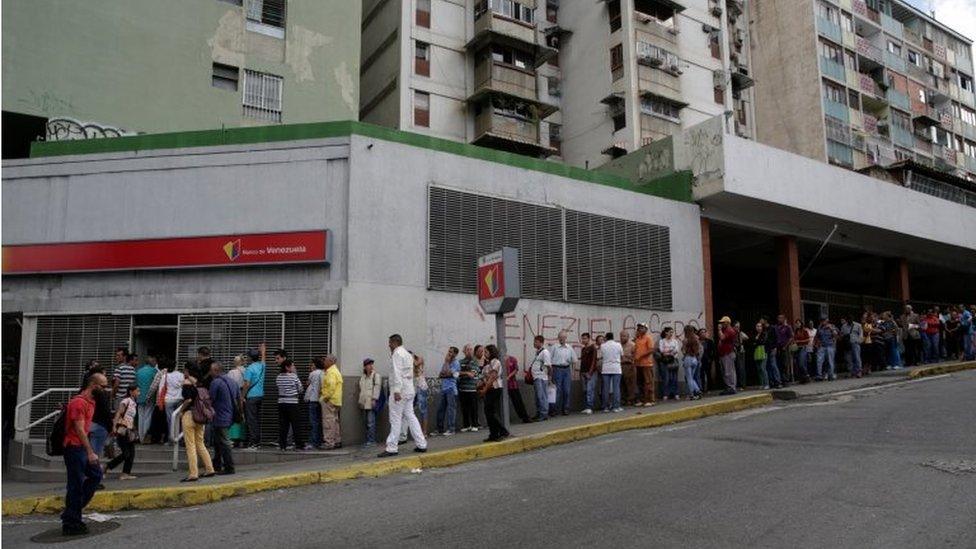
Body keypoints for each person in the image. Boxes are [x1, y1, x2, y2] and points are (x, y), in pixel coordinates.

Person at [60, 372, 107, 536]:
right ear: (93, 385)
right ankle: (71, 522)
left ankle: (71, 512)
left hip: (81, 447)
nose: (105, 390)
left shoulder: (91, 402)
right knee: (75, 485)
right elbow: (79, 429)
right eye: (102, 386)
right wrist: (90, 452)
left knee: (95, 475)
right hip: (74, 447)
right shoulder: (79, 403)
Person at [378, 334, 427, 457]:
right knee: (411, 416)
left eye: (390, 343)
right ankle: (422, 444)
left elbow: (397, 372)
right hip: (409, 390)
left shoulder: (397, 353)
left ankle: (392, 447)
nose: (388, 345)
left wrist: (396, 391)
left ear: (395, 342)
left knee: (395, 418)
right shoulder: (407, 354)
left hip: (400, 391)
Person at [178, 364, 215, 482]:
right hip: (200, 415)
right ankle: (210, 469)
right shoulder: (201, 383)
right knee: (200, 443)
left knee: (190, 445)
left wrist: (181, 410)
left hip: (189, 415)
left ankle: (193, 473)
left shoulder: (187, 383)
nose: (183, 372)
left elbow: (188, 400)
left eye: (184, 370)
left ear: (188, 371)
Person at [208, 361, 239, 475]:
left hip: (220, 417)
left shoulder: (215, 382)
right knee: (218, 441)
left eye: (211, 370)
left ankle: (229, 467)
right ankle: (216, 464)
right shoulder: (232, 382)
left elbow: (210, 399)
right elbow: (238, 398)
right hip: (230, 416)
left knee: (224, 442)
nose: (210, 372)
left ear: (216, 370)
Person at [105, 385, 139, 480]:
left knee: (131, 453)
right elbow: (118, 413)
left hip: (130, 430)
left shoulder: (134, 403)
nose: (138, 393)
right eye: (137, 391)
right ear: (131, 392)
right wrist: (114, 426)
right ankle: (107, 466)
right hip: (123, 430)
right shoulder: (126, 401)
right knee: (126, 453)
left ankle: (125, 473)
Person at [481, 345, 510, 442]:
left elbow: (492, 377)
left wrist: (484, 389)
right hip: (489, 389)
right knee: (488, 412)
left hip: (495, 388)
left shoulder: (496, 362)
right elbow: (483, 378)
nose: (484, 354)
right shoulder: (487, 365)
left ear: (491, 352)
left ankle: (502, 431)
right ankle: (493, 434)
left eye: (486, 352)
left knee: (491, 412)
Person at [242, 344, 267, 450]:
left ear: (250, 358)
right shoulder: (262, 366)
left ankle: (254, 443)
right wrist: (263, 351)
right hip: (260, 395)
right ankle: (257, 442)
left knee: (251, 420)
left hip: (251, 397)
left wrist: (242, 396)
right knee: (255, 419)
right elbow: (264, 360)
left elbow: (247, 384)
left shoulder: (249, 369)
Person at [275, 359, 304, 451]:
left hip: (281, 402)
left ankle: (282, 445)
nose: (294, 367)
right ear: (287, 367)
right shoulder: (294, 377)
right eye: (292, 366)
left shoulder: (278, 377)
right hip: (292, 402)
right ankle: (299, 445)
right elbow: (300, 389)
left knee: (283, 424)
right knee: (295, 424)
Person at [549, 331, 576, 416]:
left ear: (566, 338)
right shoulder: (554, 347)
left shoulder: (569, 348)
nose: (562, 339)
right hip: (557, 369)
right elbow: (549, 361)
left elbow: (574, 360)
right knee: (557, 391)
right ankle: (554, 410)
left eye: (563, 337)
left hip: (567, 370)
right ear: (558, 338)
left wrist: (573, 372)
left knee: (567, 391)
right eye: (560, 337)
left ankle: (566, 409)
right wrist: (550, 373)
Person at [435, 348, 460, 435]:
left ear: (455, 354)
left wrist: (446, 362)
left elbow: (450, 374)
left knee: (451, 410)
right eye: (448, 351)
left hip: (451, 389)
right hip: (444, 389)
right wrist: (447, 373)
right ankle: (439, 429)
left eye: (451, 352)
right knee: (440, 409)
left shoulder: (456, 363)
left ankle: (451, 429)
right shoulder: (447, 363)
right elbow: (440, 375)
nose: (449, 353)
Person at [320, 355, 343, 449]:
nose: (324, 362)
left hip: (329, 400)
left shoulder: (331, 372)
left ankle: (329, 442)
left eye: (325, 360)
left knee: (328, 421)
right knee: (335, 421)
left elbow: (331, 386)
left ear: (330, 362)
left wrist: (325, 397)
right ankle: (337, 441)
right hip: (336, 400)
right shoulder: (336, 371)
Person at [135, 354, 158, 443]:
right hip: (150, 397)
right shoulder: (154, 371)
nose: (155, 363)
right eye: (154, 361)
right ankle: (145, 436)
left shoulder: (139, 371)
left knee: (140, 416)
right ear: (151, 362)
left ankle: (140, 437)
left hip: (139, 396)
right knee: (148, 416)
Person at [159, 361, 185, 441]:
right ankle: (180, 437)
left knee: (170, 420)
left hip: (168, 399)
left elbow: (161, 388)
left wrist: (160, 401)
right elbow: (183, 385)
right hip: (180, 398)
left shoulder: (165, 376)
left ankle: (171, 437)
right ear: (175, 366)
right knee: (180, 418)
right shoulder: (181, 375)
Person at [358, 359, 382, 445]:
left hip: (371, 402)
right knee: (367, 423)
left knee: (371, 422)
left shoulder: (376, 376)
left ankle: (371, 441)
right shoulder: (363, 377)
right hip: (364, 403)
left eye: (372, 364)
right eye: (369, 364)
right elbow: (362, 391)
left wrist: (374, 399)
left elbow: (377, 388)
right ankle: (369, 440)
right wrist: (360, 402)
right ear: (365, 366)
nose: (371, 366)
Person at [304, 357, 326, 450]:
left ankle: (313, 442)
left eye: (312, 364)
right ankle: (319, 441)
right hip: (320, 400)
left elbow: (309, 385)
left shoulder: (313, 373)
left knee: (313, 422)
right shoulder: (324, 373)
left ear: (315, 365)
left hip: (313, 400)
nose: (311, 366)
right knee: (319, 422)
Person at [458, 345, 481, 432]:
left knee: (473, 408)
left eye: (471, 350)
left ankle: (475, 425)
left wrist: (463, 373)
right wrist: (466, 373)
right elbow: (457, 373)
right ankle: (466, 425)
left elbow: (473, 374)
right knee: (464, 408)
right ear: (464, 351)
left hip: (472, 389)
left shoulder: (475, 362)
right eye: (467, 350)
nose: (469, 351)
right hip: (462, 389)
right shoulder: (460, 362)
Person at [226, 355, 247, 447]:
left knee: (233, 416)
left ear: (235, 362)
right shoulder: (246, 371)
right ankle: (242, 437)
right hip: (244, 395)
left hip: (234, 396)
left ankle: (232, 438)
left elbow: (228, 384)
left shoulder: (232, 372)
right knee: (242, 416)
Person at [600, 332, 624, 413]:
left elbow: (602, 355)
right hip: (616, 368)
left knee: (605, 388)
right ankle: (616, 406)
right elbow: (622, 355)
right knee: (616, 388)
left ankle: (606, 407)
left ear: (606, 338)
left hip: (606, 368)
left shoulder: (603, 346)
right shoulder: (618, 345)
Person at [634, 323, 657, 406]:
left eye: (642, 327)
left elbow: (651, 350)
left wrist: (640, 356)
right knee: (640, 382)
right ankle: (643, 399)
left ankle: (650, 400)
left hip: (647, 363)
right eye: (639, 327)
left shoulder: (648, 338)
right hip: (638, 364)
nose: (640, 329)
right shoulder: (637, 339)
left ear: (646, 329)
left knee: (648, 382)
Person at [529, 335, 552, 421]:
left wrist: (549, 378)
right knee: (537, 397)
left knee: (542, 396)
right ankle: (539, 413)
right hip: (536, 377)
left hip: (541, 377)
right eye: (534, 341)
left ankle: (544, 414)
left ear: (541, 343)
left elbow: (549, 366)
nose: (534, 343)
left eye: (536, 342)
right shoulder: (538, 352)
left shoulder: (545, 352)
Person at [504, 355, 532, 423]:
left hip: (512, 384)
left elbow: (516, 369)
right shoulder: (498, 360)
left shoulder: (512, 359)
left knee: (517, 401)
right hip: (502, 385)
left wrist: (508, 377)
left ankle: (524, 417)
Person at [717, 316, 738, 395]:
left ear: (727, 323)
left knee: (729, 371)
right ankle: (729, 386)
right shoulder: (725, 330)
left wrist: (719, 330)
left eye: (723, 323)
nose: (721, 324)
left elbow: (722, 338)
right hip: (724, 353)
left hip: (728, 353)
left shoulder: (729, 330)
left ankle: (731, 387)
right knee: (726, 371)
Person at [658, 327, 680, 399]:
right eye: (670, 332)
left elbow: (676, 350)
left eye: (672, 332)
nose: (671, 334)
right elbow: (661, 351)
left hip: (674, 360)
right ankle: (666, 394)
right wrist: (671, 351)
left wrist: (667, 351)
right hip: (665, 361)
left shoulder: (675, 341)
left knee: (674, 377)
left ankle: (676, 393)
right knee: (666, 378)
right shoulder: (662, 341)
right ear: (666, 332)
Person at [579, 332, 598, 414]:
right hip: (583, 372)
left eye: (585, 338)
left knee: (590, 390)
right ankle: (586, 406)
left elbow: (594, 361)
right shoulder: (583, 349)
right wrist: (581, 372)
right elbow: (582, 361)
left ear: (589, 339)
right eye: (582, 338)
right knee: (585, 390)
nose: (583, 340)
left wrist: (590, 373)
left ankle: (590, 407)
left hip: (590, 372)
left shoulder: (593, 348)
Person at [772, 315, 794, 384]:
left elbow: (791, 338)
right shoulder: (776, 327)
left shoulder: (787, 327)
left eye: (781, 318)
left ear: (784, 319)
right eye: (778, 318)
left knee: (785, 363)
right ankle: (780, 378)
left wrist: (785, 346)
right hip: (777, 347)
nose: (779, 319)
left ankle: (786, 379)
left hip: (785, 347)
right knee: (779, 363)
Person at [682, 326, 702, 400]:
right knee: (692, 378)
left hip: (688, 358)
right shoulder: (696, 339)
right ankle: (698, 390)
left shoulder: (686, 340)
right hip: (695, 359)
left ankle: (692, 394)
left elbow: (683, 351)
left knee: (689, 378)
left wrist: (683, 347)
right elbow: (698, 350)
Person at [412, 354, 429, 438]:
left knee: (423, 410)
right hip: (414, 389)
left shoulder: (419, 359)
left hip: (421, 388)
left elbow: (417, 363)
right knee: (410, 411)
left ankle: (424, 432)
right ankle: (417, 432)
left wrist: (411, 360)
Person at [753, 322, 772, 390]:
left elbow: (762, 342)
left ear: (762, 327)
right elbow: (753, 343)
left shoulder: (764, 334)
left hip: (763, 352)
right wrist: (756, 342)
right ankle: (762, 384)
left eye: (760, 326)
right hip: (757, 352)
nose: (758, 328)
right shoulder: (755, 334)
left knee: (763, 368)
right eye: (757, 326)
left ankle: (767, 384)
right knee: (759, 369)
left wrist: (756, 341)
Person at [620, 330, 636, 406]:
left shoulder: (632, 345)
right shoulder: (619, 345)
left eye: (624, 336)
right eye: (621, 336)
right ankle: (623, 399)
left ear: (628, 337)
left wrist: (629, 359)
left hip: (629, 366)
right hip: (620, 366)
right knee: (622, 384)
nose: (622, 338)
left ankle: (630, 399)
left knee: (630, 383)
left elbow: (635, 356)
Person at [698, 328, 716, 393]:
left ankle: (710, 388)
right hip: (700, 360)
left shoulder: (709, 341)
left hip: (707, 360)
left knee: (708, 374)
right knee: (701, 374)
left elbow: (713, 351)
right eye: (701, 332)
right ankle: (702, 388)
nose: (703, 334)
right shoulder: (698, 341)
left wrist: (711, 359)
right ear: (699, 334)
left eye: (704, 332)